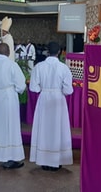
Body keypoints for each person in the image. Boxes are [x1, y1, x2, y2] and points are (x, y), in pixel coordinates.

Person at [29, 41, 74, 171]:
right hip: (58, 99)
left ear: (47, 51)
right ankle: (56, 161)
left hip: (44, 98)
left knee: (44, 129)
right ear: (59, 52)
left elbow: (33, 87)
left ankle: (44, 160)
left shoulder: (39, 67)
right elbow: (68, 90)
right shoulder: (63, 68)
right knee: (57, 129)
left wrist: (44, 89)